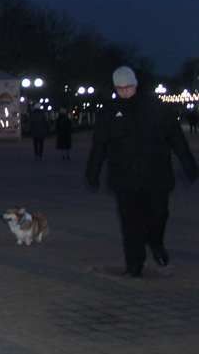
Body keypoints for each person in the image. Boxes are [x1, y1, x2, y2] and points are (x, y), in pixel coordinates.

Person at [85, 66, 198, 277]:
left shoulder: (157, 108)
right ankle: (134, 265)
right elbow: (99, 145)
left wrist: (189, 165)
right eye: (120, 88)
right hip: (125, 178)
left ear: (135, 85)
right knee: (131, 225)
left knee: (158, 217)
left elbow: (177, 139)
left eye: (128, 87)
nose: (125, 92)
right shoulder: (109, 112)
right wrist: (92, 172)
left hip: (156, 176)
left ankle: (156, 242)